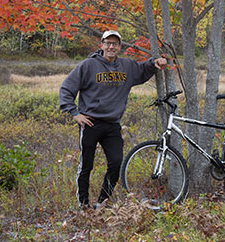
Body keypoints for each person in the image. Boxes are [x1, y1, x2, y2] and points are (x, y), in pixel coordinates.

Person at [59, 30, 167, 209]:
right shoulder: (88, 65)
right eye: (108, 43)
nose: (111, 46)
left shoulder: (126, 66)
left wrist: (154, 62)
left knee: (116, 163)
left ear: (119, 47)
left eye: (115, 44)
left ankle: (102, 202)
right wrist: (74, 113)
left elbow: (142, 69)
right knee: (86, 165)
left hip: (112, 125)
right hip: (90, 123)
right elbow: (66, 88)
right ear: (101, 45)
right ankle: (84, 205)